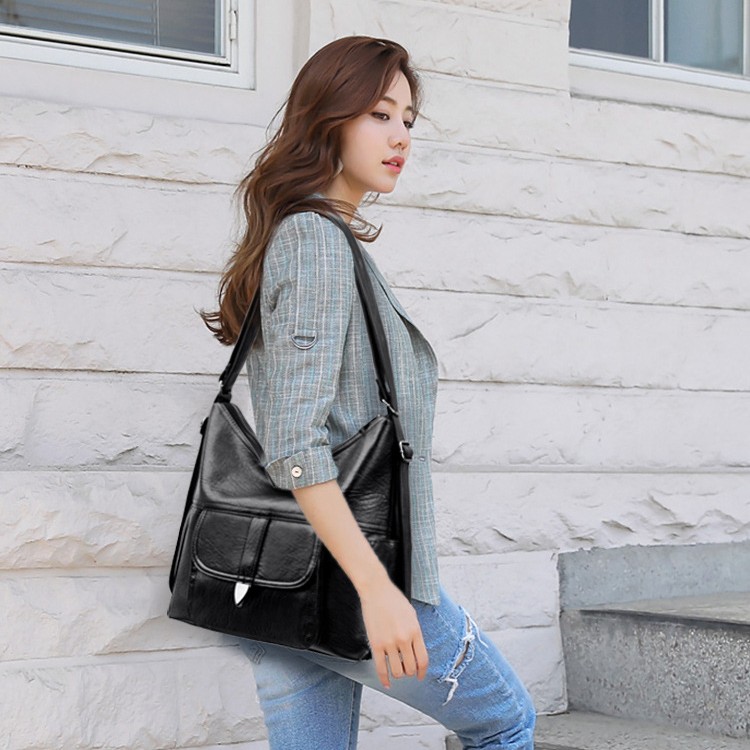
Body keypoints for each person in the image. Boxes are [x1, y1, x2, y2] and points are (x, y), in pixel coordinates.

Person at [201, 35, 535, 750]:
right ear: (328, 118)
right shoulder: (315, 241)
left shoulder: (306, 236)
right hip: (352, 572)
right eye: (379, 114)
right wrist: (380, 591)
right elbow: (295, 444)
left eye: (407, 119)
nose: (400, 136)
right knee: (506, 723)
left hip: (282, 579)